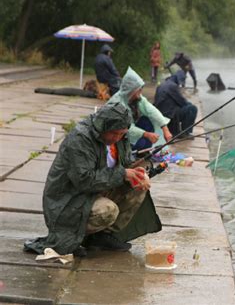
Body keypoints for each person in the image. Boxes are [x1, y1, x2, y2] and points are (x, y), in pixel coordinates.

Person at [24, 103, 162, 257]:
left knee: (138, 188)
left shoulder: (121, 137)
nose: (117, 138)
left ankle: (100, 237)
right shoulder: (80, 139)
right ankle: (73, 237)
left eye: (121, 134)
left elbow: (126, 163)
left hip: (98, 190)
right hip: (69, 199)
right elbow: (84, 180)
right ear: (102, 126)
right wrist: (122, 174)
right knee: (108, 211)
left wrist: (137, 172)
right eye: (113, 133)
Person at [108, 66, 173, 151]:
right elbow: (125, 128)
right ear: (131, 90)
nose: (140, 93)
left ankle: (143, 151)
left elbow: (151, 110)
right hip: (118, 134)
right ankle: (130, 151)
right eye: (138, 90)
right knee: (141, 137)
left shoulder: (137, 98)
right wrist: (146, 134)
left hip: (131, 129)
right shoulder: (117, 103)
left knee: (148, 120)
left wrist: (165, 129)